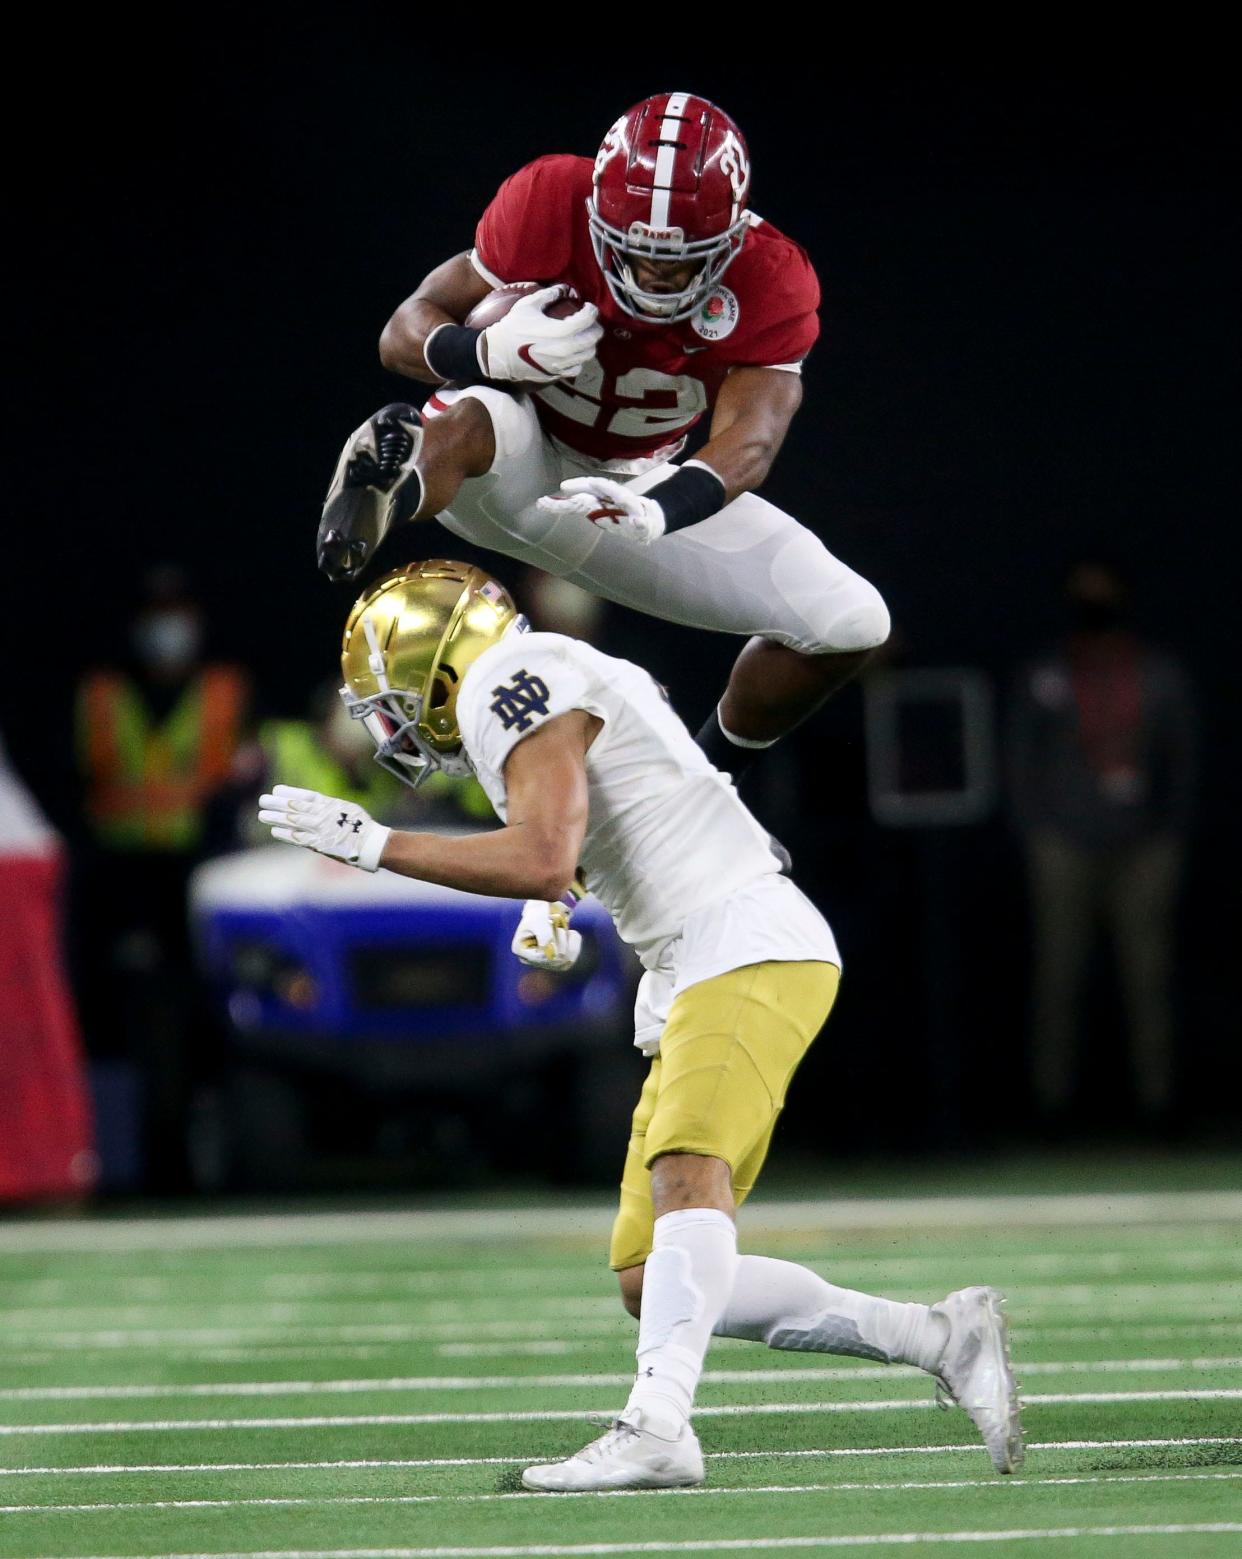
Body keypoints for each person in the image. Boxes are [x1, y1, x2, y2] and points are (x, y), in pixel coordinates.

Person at [258, 559, 1023, 1490]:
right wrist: (556, 899)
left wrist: (376, 843)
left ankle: (658, 1425)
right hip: (698, 955)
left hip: (740, 938)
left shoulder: (507, 680)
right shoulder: (549, 670)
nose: (391, 726)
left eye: (392, 699)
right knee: (646, 1272)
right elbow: (595, 825)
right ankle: (939, 1334)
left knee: (689, 1181)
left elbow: (544, 853)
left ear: (442, 666)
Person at [315, 91, 889, 784]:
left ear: (731, 236)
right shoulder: (549, 199)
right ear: (597, 215)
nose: (653, 275)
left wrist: (662, 506)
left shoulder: (771, 276)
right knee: (476, 414)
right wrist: (485, 353)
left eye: (679, 262)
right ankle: (391, 487)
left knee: (853, 620)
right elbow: (401, 332)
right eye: (635, 253)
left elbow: (753, 441)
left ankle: (707, 790)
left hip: (632, 490)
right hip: (506, 461)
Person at [1008, 558, 1198, 1126]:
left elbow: (1183, 761)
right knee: (1058, 976)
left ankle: (1157, 1107)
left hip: (1143, 847)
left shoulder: (1157, 673)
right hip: (1064, 844)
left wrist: (1170, 837)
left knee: (1148, 978)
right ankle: (1053, 1107)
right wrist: (1038, 832)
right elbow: (1020, 760)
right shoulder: (1048, 674)